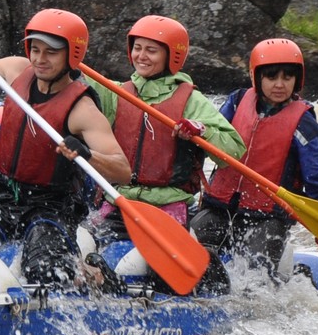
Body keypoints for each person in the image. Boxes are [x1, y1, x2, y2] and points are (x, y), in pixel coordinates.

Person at [0, 0, 135, 284]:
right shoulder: (15, 71)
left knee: (44, 270)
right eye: (35, 50)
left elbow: (122, 170)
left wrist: (86, 155)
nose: (39, 59)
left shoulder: (82, 109)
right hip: (4, 196)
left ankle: (84, 281)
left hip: (51, 206)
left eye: (51, 52)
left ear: (71, 56)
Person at [191, 37, 318, 278]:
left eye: (287, 77)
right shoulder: (237, 102)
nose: (280, 84)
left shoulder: (304, 124)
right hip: (220, 208)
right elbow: (214, 134)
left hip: (267, 218)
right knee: (185, 250)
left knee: (254, 277)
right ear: (256, 77)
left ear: (297, 80)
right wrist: (198, 130)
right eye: (272, 77)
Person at [104, 14, 244, 232]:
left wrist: (202, 131)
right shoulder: (115, 92)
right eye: (137, 48)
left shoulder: (191, 100)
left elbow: (234, 151)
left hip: (168, 205)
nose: (141, 56)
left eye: (151, 50)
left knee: (147, 264)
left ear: (172, 56)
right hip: (119, 200)